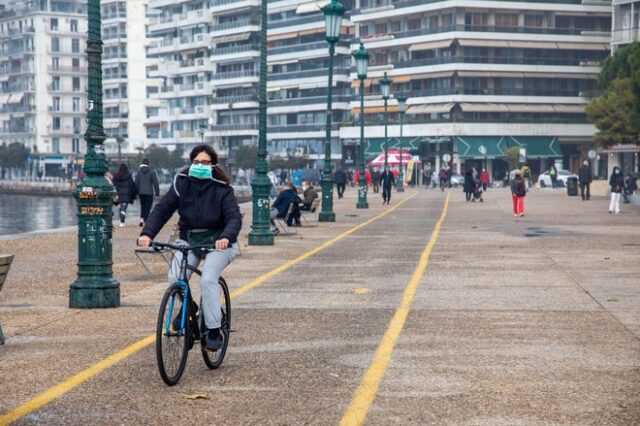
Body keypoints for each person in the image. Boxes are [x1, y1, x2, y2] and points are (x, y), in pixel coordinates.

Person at [137, 145, 241, 352]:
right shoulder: (181, 183)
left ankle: (213, 330)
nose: (199, 166)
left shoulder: (223, 188)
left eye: (204, 163)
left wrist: (226, 237)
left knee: (208, 279)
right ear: (190, 163)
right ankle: (189, 306)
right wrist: (147, 234)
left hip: (218, 243)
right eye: (196, 162)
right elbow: (163, 209)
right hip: (190, 240)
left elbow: (234, 218)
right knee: (175, 277)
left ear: (212, 164)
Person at [135, 158, 160, 227]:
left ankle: (141, 220)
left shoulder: (139, 172)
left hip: (141, 192)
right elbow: (156, 183)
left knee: (142, 206)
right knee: (148, 207)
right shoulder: (152, 172)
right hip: (149, 192)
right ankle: (146, 220)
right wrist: (157, 193)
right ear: (148, 164)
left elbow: (136, 182)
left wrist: (136, 192)